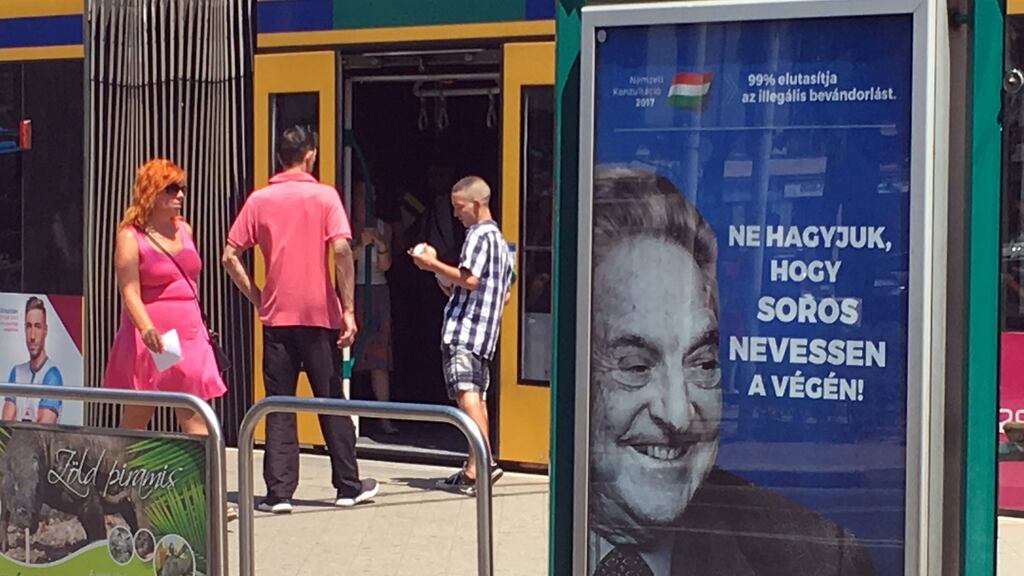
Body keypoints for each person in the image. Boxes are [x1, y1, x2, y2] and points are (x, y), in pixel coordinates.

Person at [587, 166, 874, 576]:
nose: (678, 416)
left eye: (702, 363)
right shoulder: (549, 528)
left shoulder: (820, 560)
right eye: (636, 366)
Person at [222, 125, 378, 514]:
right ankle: (347, 486)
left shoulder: (260, 199)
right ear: (310, 155)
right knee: (331, 400)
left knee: (279, 404)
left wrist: (258, 296)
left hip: (277, 317)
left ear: (279, 157)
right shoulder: (325, 196)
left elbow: (229, 256)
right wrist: (348, 308)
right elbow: (340, 249)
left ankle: (279, 493)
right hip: (319, 315)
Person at [103, 158, 226, 435]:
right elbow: (129, 290)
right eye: (171, 188)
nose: (180, 195)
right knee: (152, 408)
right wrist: (146, 328)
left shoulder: (185, 229)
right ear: (152, 191)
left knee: (187, 406)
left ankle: (120, 458)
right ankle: (119, 457)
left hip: (191, 331)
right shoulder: (131, 236)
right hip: (160, 335)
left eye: (182, 188)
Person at [409, 175, 513, 494]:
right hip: (485, 333)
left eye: (459, 207)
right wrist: (440, 273)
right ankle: (473, 468)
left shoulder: (478, 235)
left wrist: (432, 263)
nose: (456, 214)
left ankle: (484, 463)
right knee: (477, 397)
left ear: (476, 204)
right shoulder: (500, 242)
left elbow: (469, 280)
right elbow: (500, 291)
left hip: (466, 330)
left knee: (465, 394)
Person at [351, 180, 397, 434]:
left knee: (380, 354)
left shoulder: (383, 227)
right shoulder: (345, 224)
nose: (364, 200)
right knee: (349, 351)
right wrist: (360, 245)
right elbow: (341, 260)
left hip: (377, 292)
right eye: (360, 194)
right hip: (353, 291)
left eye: (369, 194)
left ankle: (384, 417)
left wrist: (380, 244)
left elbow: (386, 265)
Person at [4, 296, 63, 423]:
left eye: (37, 326)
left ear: (45, 330)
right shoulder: (16, 372)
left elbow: (42, 429)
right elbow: (6, 424)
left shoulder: (52, 376)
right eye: (28, 326)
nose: (32, 336)